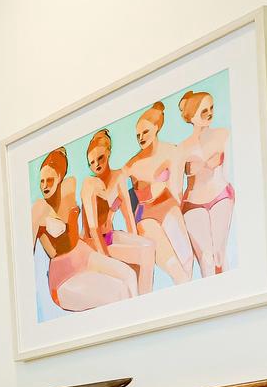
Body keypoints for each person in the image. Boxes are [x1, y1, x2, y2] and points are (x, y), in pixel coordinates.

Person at [33, 147, 136, 311]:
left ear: (60, 177)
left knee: (130, 276)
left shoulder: (70, 186)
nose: (44, 186)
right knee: (118, 292)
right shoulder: (39, 208)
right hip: (64, 276)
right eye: (41, 181)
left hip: (84, 255)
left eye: (49, 180)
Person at [125, 102, 196, 286]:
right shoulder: (131, 165)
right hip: (145, 214)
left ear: (156, 128)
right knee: (173, 267)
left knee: (187, 261)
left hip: (168, 205)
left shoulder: (171, 151)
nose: (141, 138)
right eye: (138, 135)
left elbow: (176, 189)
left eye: (145, 132)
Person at [79, 128, 156, 295]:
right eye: (91, 162)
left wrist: (135, 241)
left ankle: (146, 300)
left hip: (111, 236)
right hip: (94, 244)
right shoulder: (89, 184)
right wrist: (107, 260)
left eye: (100, 158)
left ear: (109, 153)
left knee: (149, 246)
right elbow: (92, 229)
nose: (96, 165)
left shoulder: (119, 177)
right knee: (139, 259)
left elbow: (129, 216)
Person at [178, 89, 234, 277]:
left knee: (219, 255)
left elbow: (233, 169)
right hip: (193, 204)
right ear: (192, 116)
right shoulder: (182, 148)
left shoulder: (223, 134)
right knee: (206, 259)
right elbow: (176, 187)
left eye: (211, 108)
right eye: (204, 111)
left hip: (220, 196)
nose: (210, 113)